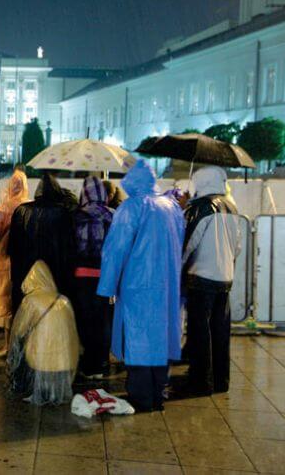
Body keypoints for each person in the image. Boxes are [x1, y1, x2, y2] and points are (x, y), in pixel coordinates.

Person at [96, 160, 184, 412]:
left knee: (140, 340)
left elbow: (115, 250)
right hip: (167, 285)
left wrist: (106, 288)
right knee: (161, 339)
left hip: (138, 286)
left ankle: (142, 397)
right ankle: (158, 393)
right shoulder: (171, 207)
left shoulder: (132, 207)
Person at [183, 166, 242, 395]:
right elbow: (237, 246)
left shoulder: (201, 207)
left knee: (200, 332)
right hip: (225, 278)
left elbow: (189, 244)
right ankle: (221, 381)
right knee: (220, 331)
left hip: (201, 276)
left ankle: (200, 383)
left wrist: (178, 267)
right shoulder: (232, 206)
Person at [7, 260, 80, 405]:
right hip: (67, 359)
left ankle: (26, 386)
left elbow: (19, 331)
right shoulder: (64, 300)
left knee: (21, 344)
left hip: (40, 360)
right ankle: (55, 390)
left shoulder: (31, 300)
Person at [8, 172, 76, 317]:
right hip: (54, 282)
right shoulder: (63, 213)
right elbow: (69, 251)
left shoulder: (21, 211)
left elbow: (12, 249)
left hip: (26, 280)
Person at [0, 171, 30, 358]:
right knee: (19, 301)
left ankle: (8, 346)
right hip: (23, 260)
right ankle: (19, 346)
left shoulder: (6, 207)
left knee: (5, 304)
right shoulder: (28, 206)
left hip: (4, 260)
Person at [72, 176, 114, 379]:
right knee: (103, 319)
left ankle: (88, 364)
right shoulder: (111, 215)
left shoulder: (76, 216)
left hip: (81, 276)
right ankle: (102, 363)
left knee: (85, 319)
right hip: (104, 276)